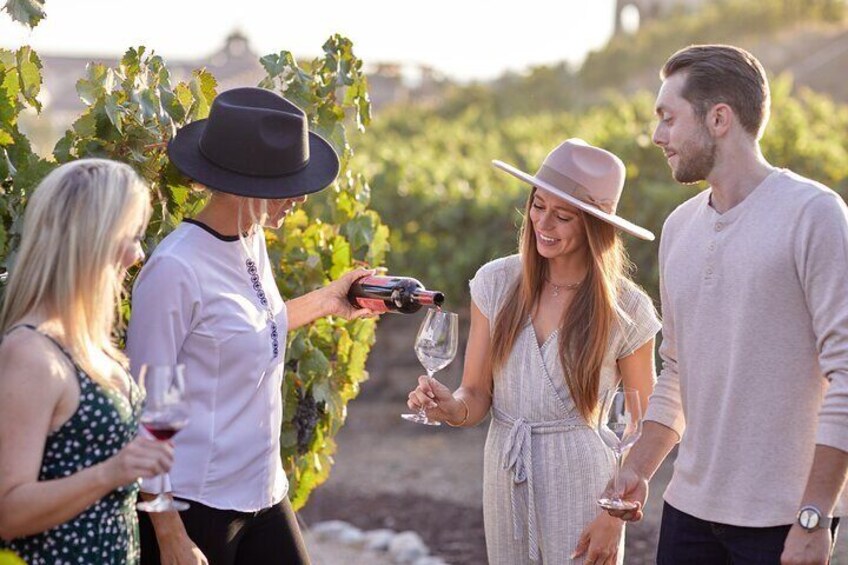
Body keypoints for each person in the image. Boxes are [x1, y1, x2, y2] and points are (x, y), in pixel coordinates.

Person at [603, 44, 848, 564]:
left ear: (718, 119)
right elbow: (677, 369)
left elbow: (846, 371)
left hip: (781, 521)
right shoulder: (678, 228)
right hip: (686, 514)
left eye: (669, 118)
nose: (657, 136)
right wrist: (639, 467)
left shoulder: (814, 214)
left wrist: (815, 514)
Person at [126, 87, 376, 565]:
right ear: (242, 184)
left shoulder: (250, 238)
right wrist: (169, 533)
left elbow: (252, 331)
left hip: (264, 491)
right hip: (194, 505)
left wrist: (329, 299)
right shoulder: (175, 270)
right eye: (287, 185)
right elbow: (149, 410)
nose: (299, 198)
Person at [407, 138, 661, 564]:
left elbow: (644, 421)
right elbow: (476, 394)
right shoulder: (495, 282)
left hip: (587, 484)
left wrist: (614, 514)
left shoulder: (627, 307)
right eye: (538, 205)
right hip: (506, 468)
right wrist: (450, 408)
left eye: (563, 216)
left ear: (594, 227)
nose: (543, 222)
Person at [0, 159, 173, 564]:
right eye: (133, 236)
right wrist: (112, 471)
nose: (138, 254)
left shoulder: (87, 344)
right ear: (95, 238)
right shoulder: (31, 354)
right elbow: (8, 512)